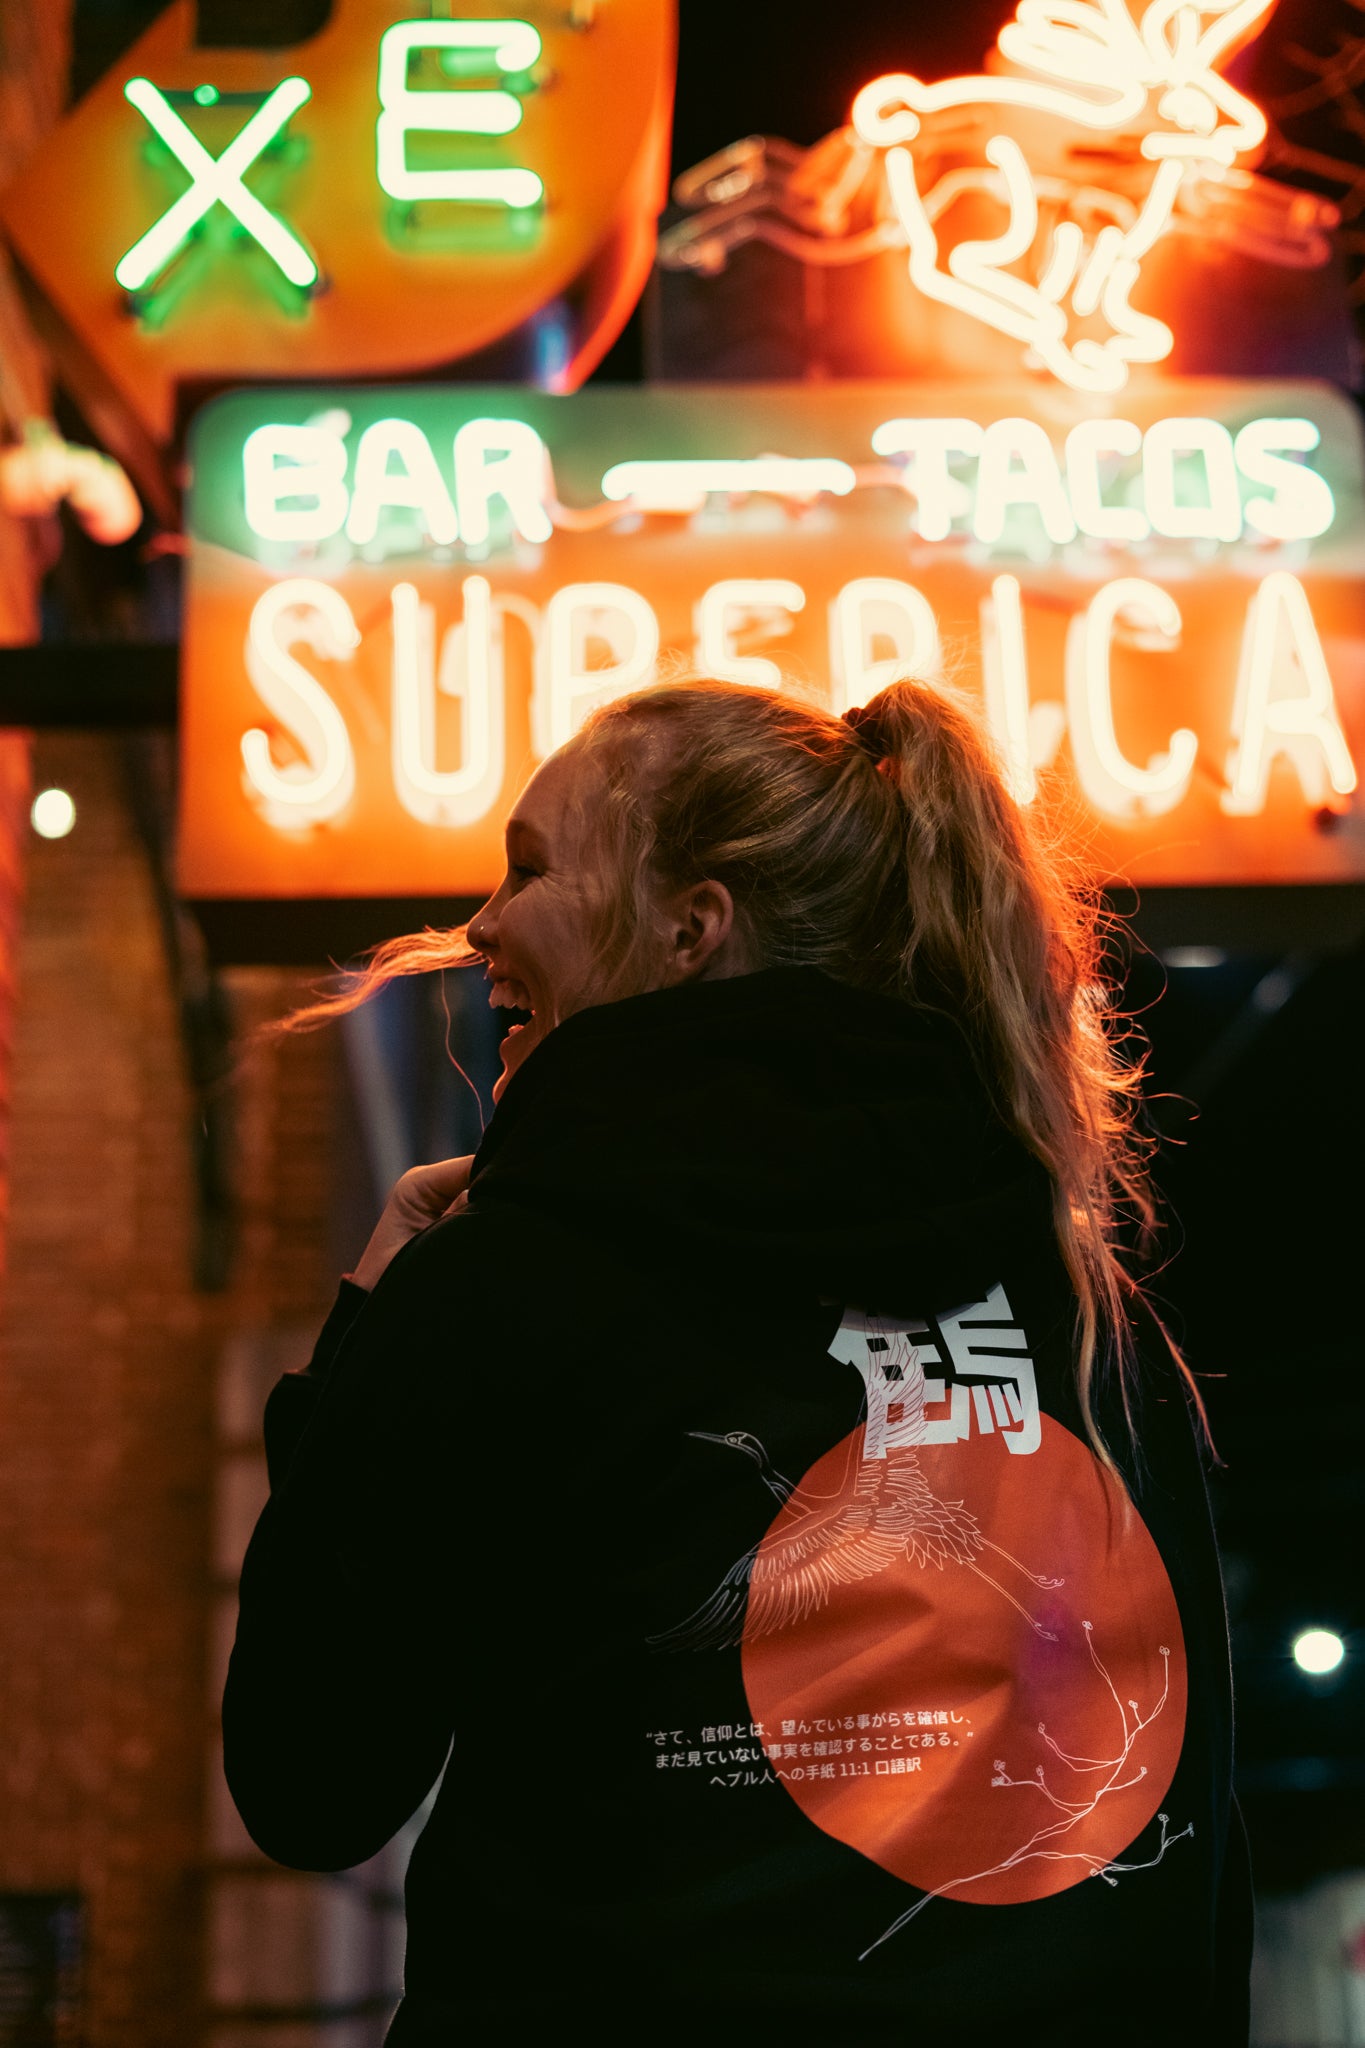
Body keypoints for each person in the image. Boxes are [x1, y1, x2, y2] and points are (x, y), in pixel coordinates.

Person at [223, 674, 1251, 2046]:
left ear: (687, 928)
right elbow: (1191, 1861)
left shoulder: (509, 1291)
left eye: (529, 869)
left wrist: (366, 1328)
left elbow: (309, 1780)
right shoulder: (1091, 1322)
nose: (480, 924)